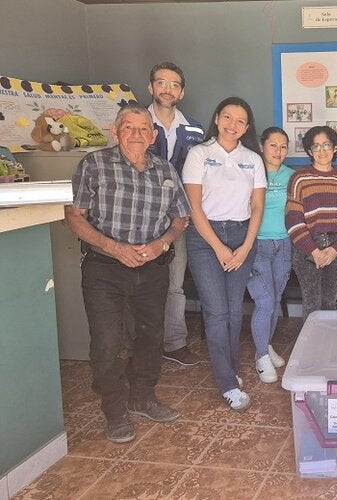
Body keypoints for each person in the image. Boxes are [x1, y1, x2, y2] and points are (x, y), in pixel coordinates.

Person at [64, 104, 190, 443]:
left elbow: (180, 218)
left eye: (143, 128)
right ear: (115, 132)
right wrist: (114, 247)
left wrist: (162, 244)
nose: (136, 134)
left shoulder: (164, 170)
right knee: (107, 343)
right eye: (129, 127)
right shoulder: (94, 164)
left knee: (150, 337)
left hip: (152, 268)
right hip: (105, 269)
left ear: (152, 135)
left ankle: (142, 396)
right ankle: (115, 409)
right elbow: (74, 217)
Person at [183, 97, 266, 412]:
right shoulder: (199, 154)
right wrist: (219, 247)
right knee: (216, 312)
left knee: (233, 310)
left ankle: (230, 368)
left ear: (247, 127)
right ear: (217, 118)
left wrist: (244, 246)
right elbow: (193, 206)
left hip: (242, 235)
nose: (233, 125)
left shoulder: (252, 159)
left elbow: (257, 206)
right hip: (206, 239)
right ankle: (228, 383)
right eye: (227, 117)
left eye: (240, 121)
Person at [146, 62, 205, 366]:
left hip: (178, 219)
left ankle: (174, 342)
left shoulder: (195, 129)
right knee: (135, 282)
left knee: (174, 283)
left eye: (174, 84)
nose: (167, 89)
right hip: (138, 218)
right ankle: (140, 346)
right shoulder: (136, 123)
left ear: (182, 92)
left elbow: (201, 174)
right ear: (151, 88)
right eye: (161, 83)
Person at [285, 125, 337, 317]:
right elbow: (293, 219)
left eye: (326, 145)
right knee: (312, 304)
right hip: (307, 248)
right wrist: (314, 251)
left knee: (329, 302)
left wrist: (334, 250)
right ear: (309, 151)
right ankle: (311, 348)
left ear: (335, 148)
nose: (322, 151)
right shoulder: (299, 178)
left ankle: (328, 346)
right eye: (316, 146)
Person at [246, 127, 293, 383]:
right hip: (256, 245)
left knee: (274, 299)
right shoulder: (250, 171)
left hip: (283, 244)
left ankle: (265, 345)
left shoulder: (291, 176)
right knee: (263, 302)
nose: (278, 151)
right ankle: (262, 356)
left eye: (283, 146)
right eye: (273, 145)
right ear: (262, 146)